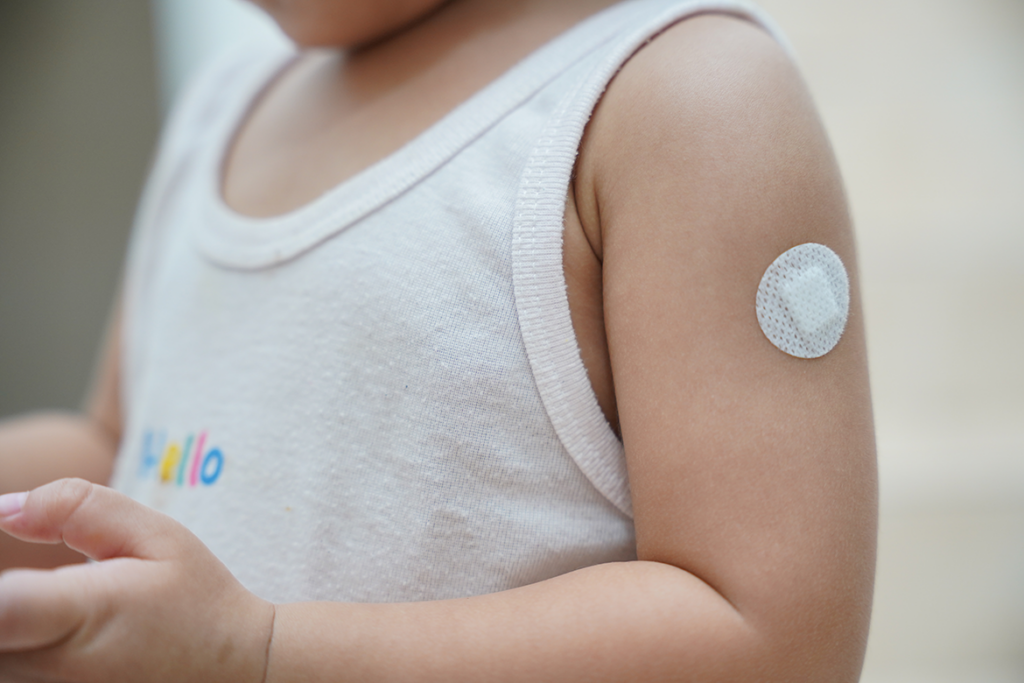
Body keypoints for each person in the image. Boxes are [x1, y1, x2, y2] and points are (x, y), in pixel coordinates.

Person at [0, 0, 878, 680]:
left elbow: (772, 639)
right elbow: (134, 450)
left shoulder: (686, 101)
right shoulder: (222, 111)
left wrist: (261, 653)